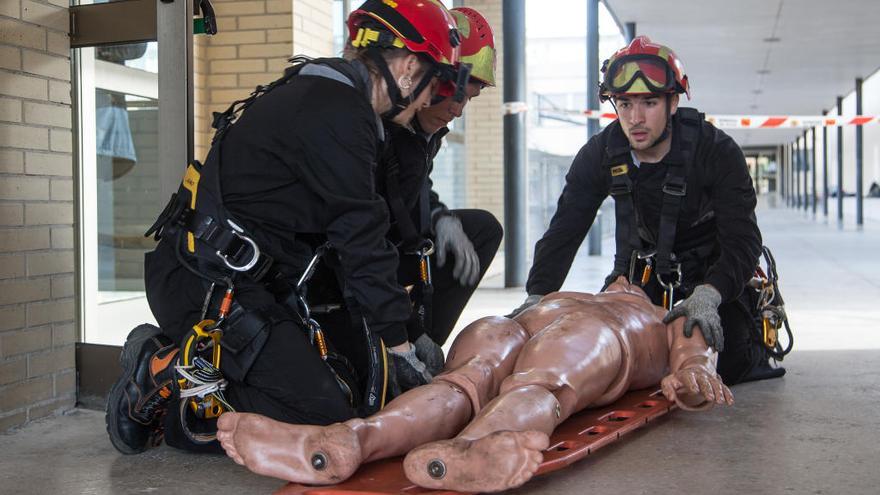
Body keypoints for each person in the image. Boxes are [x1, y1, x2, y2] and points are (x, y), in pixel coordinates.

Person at [106, 0, 467, 455]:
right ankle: (164, 371)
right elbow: (362, 238)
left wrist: (405, 335)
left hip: (258, 285)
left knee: (363, 396)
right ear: (412, 67)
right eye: (437, 83)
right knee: (322, 423)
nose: (432, 100)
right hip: (206, 285)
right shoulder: (337, 112)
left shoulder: (334, 98)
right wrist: (400, 345)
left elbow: (375, 225)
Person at [215, 277, 733, 493]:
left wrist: (694, 373)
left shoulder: (666, 313)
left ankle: (364, 439)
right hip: (543, 327)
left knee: (492, 383)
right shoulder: (586, 299)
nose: (623, 282)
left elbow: (692, 364)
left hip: (567, 332)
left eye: (629, 281)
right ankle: (387, 444)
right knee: (489, 384)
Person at [510, 36, 784, 386]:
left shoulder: (715, 152)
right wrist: (537, 294)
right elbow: (565, 231)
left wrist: (711, 293)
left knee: (728, 360)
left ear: (673, 103)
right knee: (622, 355)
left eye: (649, 103)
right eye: (624, 104)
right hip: (647, 271)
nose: (635, 118)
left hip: (715, 271)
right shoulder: (601, 154)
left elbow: (743, 240)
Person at [377, 7, 502, 382]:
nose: (459, 111)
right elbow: (363, 235)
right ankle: (403, 345)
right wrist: (405, 336)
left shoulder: (422, 134)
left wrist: (440, 218)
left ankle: (425, 345)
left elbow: (416, 191)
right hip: (357, 263)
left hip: (390, 248)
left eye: (468, 99)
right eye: (452, 94)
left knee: (480, 229)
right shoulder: (384, 128)